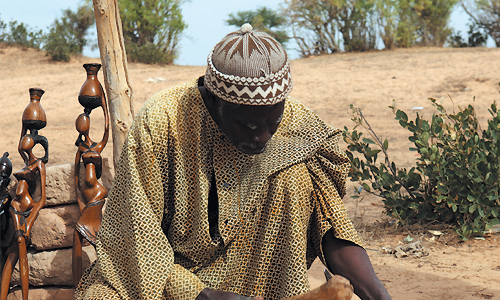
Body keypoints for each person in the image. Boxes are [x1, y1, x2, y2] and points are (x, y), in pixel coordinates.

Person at [75, 24, 391, 300]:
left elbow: (332, 225)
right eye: (250, 126)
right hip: (165, 281)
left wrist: (379, 296)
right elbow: (134, 237)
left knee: (298, 175)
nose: (263, 137)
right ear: (214, 99)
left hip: (259, 282)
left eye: (274, 121)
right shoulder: (162, 122)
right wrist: (203, 295)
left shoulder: (301, 130)